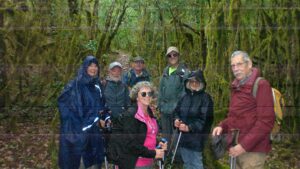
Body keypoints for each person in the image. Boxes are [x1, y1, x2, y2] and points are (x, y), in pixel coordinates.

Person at [212, 51, 275, 169]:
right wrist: (222, 126)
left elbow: (265, 122)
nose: (236, 69)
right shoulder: (237, 86)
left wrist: (243, 146)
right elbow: (235, 117)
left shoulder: (261, 85)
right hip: (235, 147)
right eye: (233, 65)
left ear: (249, 64)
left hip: (253, 152)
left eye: (239, 64)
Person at [58, 55, 107, 169]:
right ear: (85, 67)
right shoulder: (75, 86)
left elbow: (101, 105)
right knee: (81, 162)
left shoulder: (97, 85)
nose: (93, 69)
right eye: (90, 66)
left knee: (94, 162)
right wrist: (92, 121)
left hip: (94, 133)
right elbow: (69, 109)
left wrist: (105, 117)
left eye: (95, 66)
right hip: (78, 135)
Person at [112, 81, 167, 169]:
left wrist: (158, 142)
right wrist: (153, 153)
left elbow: (147, 134)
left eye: (150, 93)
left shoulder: (150, 113)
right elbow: (130, 144)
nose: (147, 96)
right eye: (143, 94)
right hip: (134, 163)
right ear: (137, 97)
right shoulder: (131, 115)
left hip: (148, 160)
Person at [174, 70, 214, 169]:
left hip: (197, 137)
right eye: (192, 81)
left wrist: (189, 128)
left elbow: (205, 120)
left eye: (197, 82)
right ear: (188, 83)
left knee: (196, 164)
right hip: (183, 137)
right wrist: (176, 120)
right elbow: (176, 112)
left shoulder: (206, 98)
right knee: (186, 164)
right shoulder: (184, 96)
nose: (194, 84)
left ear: (201, 83)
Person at [157, 46, 189, 142]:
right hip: (164, 109)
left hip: (176, 111)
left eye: (174, 55)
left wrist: (179, 109)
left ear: (178, 56)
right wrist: (160, 105)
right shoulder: (165, 71)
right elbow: (161, 89)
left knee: (176, 138)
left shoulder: (184, 73)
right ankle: (165, 155)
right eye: (170, 55)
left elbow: (185, 92)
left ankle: (175, 156)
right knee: (166, 136)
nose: (172, 57)